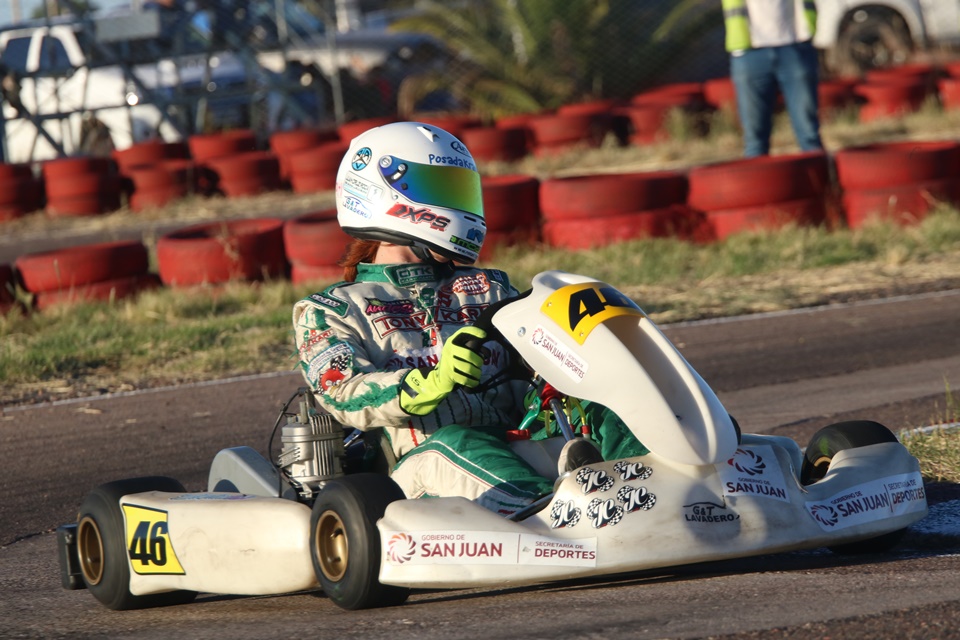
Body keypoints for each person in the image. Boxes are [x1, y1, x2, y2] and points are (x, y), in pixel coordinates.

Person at [292, 122, 647, 516]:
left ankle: (655, 494)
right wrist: (430, 382)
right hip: (416, 471)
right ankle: (555, 516)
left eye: (460, 190)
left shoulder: (488, 288)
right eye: (440, 189)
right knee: (459, 440)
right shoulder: (331, 311)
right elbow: (342, 394)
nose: (458, 203)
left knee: (603, 407)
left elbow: (539, 362)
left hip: (514, 443)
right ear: (382, 194)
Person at [723, 0, 824, 157]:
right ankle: (757, 173)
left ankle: (818, 171)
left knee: (809, 133)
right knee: (755, 139)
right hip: (749, 52)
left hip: (795, 45)